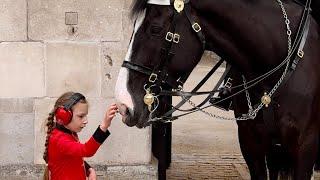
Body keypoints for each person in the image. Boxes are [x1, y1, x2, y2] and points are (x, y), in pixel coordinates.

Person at [42, 92, 118, 180]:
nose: (86, 120)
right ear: (63, 116)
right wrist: (104, 126)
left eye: (86, 115)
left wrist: (89, 169)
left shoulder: (70, 133)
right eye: (81, 116)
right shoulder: (61, 140)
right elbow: (87, 150)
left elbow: (75, 157)